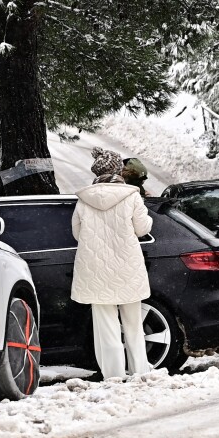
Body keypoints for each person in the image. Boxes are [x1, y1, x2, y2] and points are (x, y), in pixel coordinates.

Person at [71, 146, 152, 379]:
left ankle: (114, 375)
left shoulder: (84, 199)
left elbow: (77, 234)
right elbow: (142, 228)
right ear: (119, 170)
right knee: (134, 325)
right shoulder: (132, 196)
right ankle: (139, 371)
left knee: (105, 326)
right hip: (127, 266)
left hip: (95, 269)